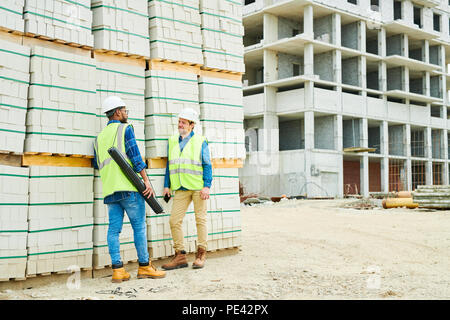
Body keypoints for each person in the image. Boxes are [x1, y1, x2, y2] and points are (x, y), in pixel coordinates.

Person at [93, 96, 166, 282]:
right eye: (125, 110)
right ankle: (144, 267)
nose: (126, 114)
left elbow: (97, 164)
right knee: (139, 227)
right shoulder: (125, 129)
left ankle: (118, 270)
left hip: (110, 191)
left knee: (113, 230)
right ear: (117, 112)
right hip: (130, 189)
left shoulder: (98, 138)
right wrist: (146, 181)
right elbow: (135, 156)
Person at [161, 107, 212, 270]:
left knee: (200, 219)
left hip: (198, 187)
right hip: (180, 187)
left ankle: (201, 254)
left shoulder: (200, 141)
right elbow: (169, 164)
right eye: (179, 122)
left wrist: (206, 186)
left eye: (183, 122)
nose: (180, 125)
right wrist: (166, 185)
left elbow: (207, 164)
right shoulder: (172, 140)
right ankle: (180, 255)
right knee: (174, 220)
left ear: (191, 125)